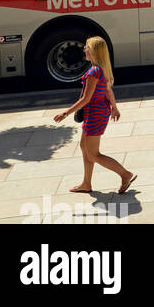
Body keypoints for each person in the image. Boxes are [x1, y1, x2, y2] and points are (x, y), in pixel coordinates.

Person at [53, 37, 134, 195]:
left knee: (93, 154)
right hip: (99, 112)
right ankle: (86, 183)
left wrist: (65, 113)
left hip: (95, 114)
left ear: (93, 51)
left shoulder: (94, 72)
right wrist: (115, 108)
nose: (84, 49)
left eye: (86, 47)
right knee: (84, 147)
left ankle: (125, 174)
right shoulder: (101, 69)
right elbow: (108, 91)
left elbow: (85, 99)